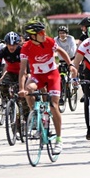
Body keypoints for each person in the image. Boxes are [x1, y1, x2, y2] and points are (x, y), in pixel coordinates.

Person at [19, 20, 77, 155]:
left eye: (44, 31)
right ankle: (35, 115)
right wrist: (21, 88)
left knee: (53, 106)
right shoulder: (26, 47)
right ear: (33, 36)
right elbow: (22, 70)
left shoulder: (49, 42)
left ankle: (58, 139)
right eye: (41, 33)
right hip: (37, 77)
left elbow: (62, 52)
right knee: (28, 90)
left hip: (52, 76)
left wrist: (70, 65)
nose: (44, 34)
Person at [0, 31, 29, 124]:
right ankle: (8, 102)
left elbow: (27, 65)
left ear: (17, 44)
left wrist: (28, 74)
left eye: (14, 45)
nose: (12, 47)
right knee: (3, 83)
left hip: (22, 74)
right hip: (11, 72)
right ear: (6, 44)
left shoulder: (22, 50)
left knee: (22, 96)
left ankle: (27, 117)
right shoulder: (2, 52)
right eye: (9, 45)